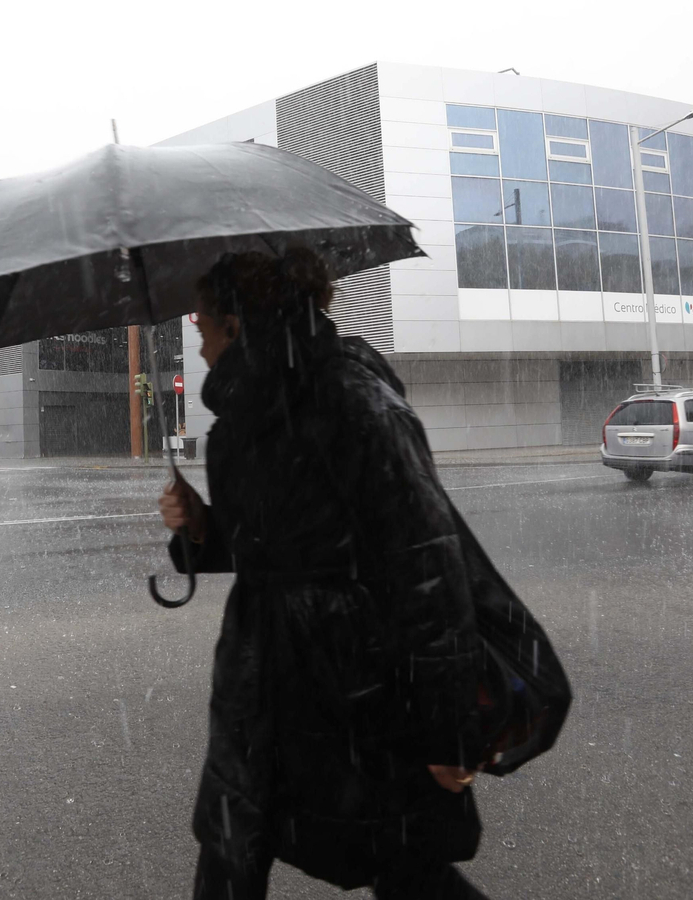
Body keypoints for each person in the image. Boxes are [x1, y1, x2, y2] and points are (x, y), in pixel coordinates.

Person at [158, 248, 522, 899]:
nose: (195, 329)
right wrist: (201, 530)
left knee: (406, 869)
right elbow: (271, 547)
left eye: (202, 317)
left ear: (237, 325)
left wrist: (449, 728)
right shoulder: (239, 420)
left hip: (354, 689)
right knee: (229, 849)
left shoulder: (355, 401)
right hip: (261, 683)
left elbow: (429, 563)